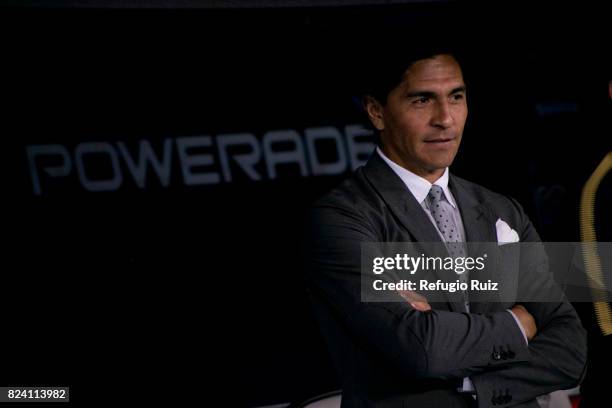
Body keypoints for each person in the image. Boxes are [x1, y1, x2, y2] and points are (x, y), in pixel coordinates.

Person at [303, 47, 587, 408]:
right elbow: (423, 349)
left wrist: (472, 383)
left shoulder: (502, 209)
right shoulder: (341, 218)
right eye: (422, 100)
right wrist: (519, 324)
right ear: (377, 111)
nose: (445, 118)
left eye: (456, 97)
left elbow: (571, 347)